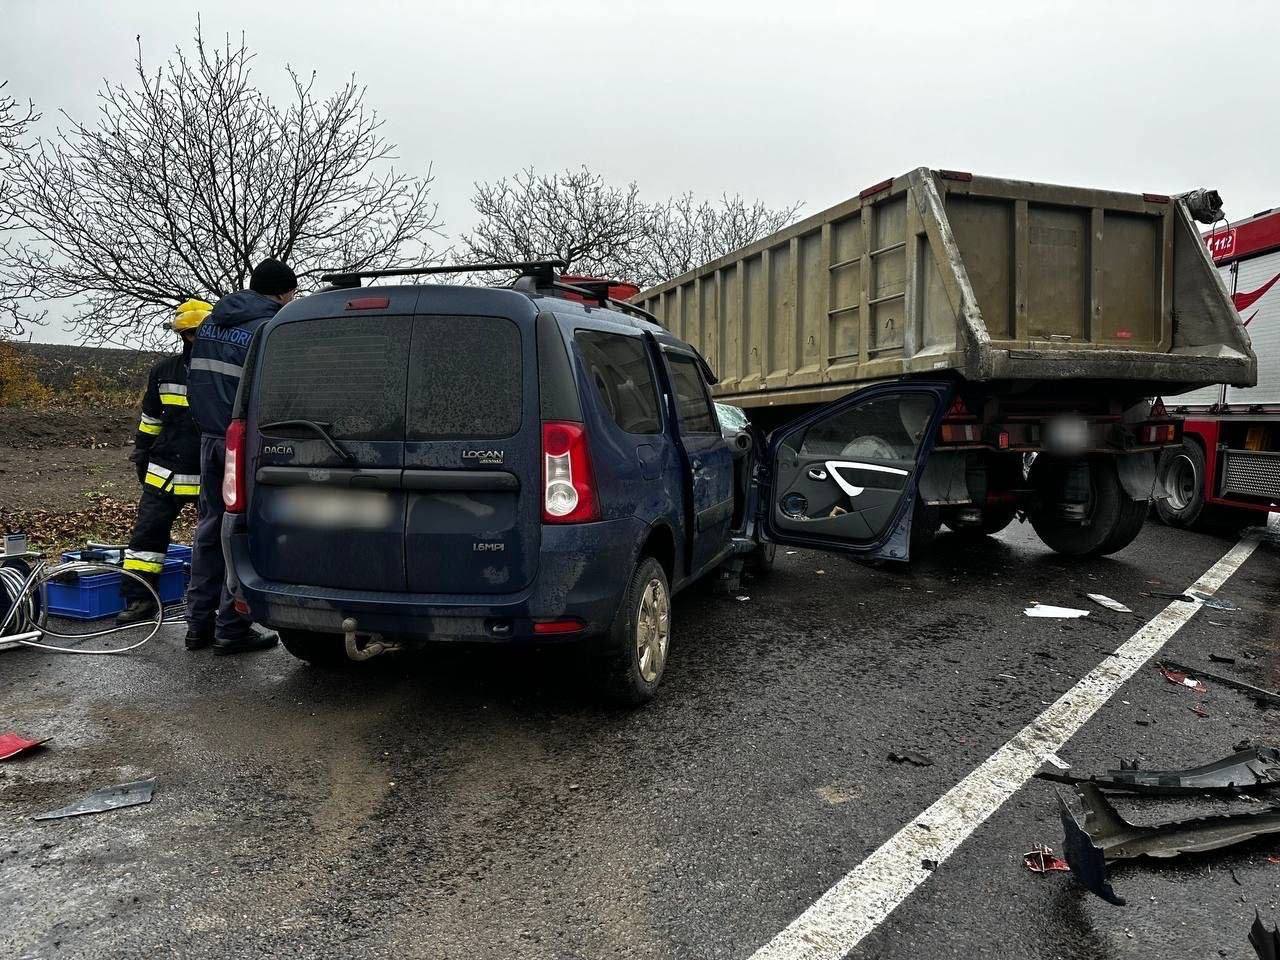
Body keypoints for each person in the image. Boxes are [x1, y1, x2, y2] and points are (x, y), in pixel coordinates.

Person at [185, 258, 297, 654]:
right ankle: (231, 629)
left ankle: (197, 625)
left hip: (209, 437)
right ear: (284, 292)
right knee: (241, 532)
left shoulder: (210, 324)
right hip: (242, 442)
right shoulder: (268, 328)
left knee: (210, 530)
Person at [116, 299, 211, 625]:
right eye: (189, 333)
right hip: (165, 469)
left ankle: (215, 604)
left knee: (215, 539)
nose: (194, 338)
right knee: (147, 537)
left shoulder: (222, 371)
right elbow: (151, 420)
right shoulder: (164, 371)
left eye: (198, 332)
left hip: (207, 470)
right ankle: (141, 598)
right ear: (182, 335)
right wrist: (142, 452)